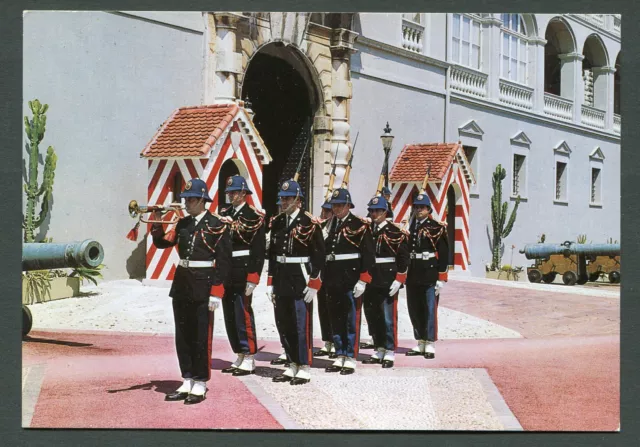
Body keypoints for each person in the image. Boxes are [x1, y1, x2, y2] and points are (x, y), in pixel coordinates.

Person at [151, 178, 231, 405]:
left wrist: (216, 291)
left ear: (203, 200)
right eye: (186, 199)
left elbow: (223, 261)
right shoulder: (183, 224)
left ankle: (200, 382)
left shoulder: (217, 224)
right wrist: (157, 222)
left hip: (204, 285)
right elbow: (162, 244)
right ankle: (187, 379)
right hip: (183, 284)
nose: (187, 203)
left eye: (192, 199)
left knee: (200, 336)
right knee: (183, 335)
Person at [267, 179, 325, 385]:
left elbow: (319, 255)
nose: (284, 202)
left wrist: (314, 283)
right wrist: (270, 282)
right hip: (282, 277)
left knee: (301, 324)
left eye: (288, 198)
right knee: (284, 323)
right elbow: (273, 254)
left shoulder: (309, 222)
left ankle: (304, 366)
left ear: (298, 200)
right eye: (282, 198)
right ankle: (292, 364)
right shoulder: (277, 222)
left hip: (301, 276)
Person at [324, 188, 375, 375]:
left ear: (348, 206)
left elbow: (369, 256)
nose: (336, 209)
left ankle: (351, 356)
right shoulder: (329, 225)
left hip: (351, 280)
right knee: (335, 319)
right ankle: (340, 354)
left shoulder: (359, 225)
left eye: (339, 205)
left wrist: (363, 280)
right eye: (334, 205)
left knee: (350, 320)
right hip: (332, 279)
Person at [218, 175, 266, 376]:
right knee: (229, 314)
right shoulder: (224, 213)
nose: (231, 195)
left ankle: (249, 355)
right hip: (226, 270)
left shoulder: (254, 216)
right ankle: (238, 352)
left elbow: (258, 249)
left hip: (243, 270)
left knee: (242, 313)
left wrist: (253, 277)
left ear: (244, 193)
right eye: (229, 192)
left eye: (234, 192)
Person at [361, 195, 409, 368]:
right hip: (370, 279)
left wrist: (399, 279)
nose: (374, 214)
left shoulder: (395, 231)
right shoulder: (366, 231)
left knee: (388, 317)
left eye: (378, 211)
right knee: (372, 316)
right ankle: (378, 347)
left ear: (385, 212)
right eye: (372, 211)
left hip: (388, 279)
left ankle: (389, 350)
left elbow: (403, 258)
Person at [405, 192, 448, 359]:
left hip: (429, 273)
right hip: (413, 273)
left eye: (422, 207)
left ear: (429, 209)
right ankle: (420, 341)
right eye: (416, 207)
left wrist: (441, 278)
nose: (418, 210)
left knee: (429, 309)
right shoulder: (411, 226)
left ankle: (430, 342)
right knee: (415, 309)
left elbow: (444, 253)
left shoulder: (437, 227)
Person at [313, 200, 336, 358]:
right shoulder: (318, 227)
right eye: (323, 210)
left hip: (333, 271)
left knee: (334, 308)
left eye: (327, 211)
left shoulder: (337, 227)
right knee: (323, 307)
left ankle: (335, 342)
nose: (324, 214)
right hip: (321, 272)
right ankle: (327, 341)